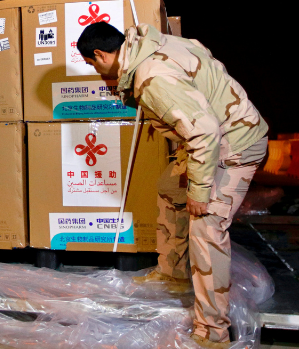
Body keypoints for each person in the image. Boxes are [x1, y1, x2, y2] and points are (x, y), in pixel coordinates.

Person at [77, 22, 268, 349]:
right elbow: (201, 67)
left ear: (100, 54)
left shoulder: (152, 78)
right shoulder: (155, 45)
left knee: (207, 228)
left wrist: (199, 192)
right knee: (169, 186)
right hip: (216, 137)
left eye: (93, 64)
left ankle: (213, 332)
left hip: (233, 145)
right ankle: (175, 272)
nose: (97, 72)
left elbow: (205, 132)